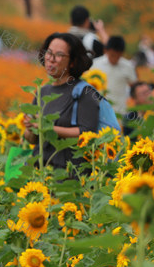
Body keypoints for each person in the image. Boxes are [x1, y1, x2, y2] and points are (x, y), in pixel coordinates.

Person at [23, 33, 99, 171]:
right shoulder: (43, 91)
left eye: (58, 55)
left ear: (73, 61)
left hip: (67, 174)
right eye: (49, 53)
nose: (51, 59)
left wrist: (47, 127)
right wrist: (30, 127)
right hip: (39, 169)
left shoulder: (85, 92)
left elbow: (87, 133)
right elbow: (32, 139)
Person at [90, 35, 137, 120]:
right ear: (106, 51)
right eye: (112, 55)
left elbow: (134, 86)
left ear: (122, 53)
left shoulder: (128, 66)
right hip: (99, 109)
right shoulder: (95, 64)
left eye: (118, 56)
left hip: (120, 111)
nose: (115, 59)